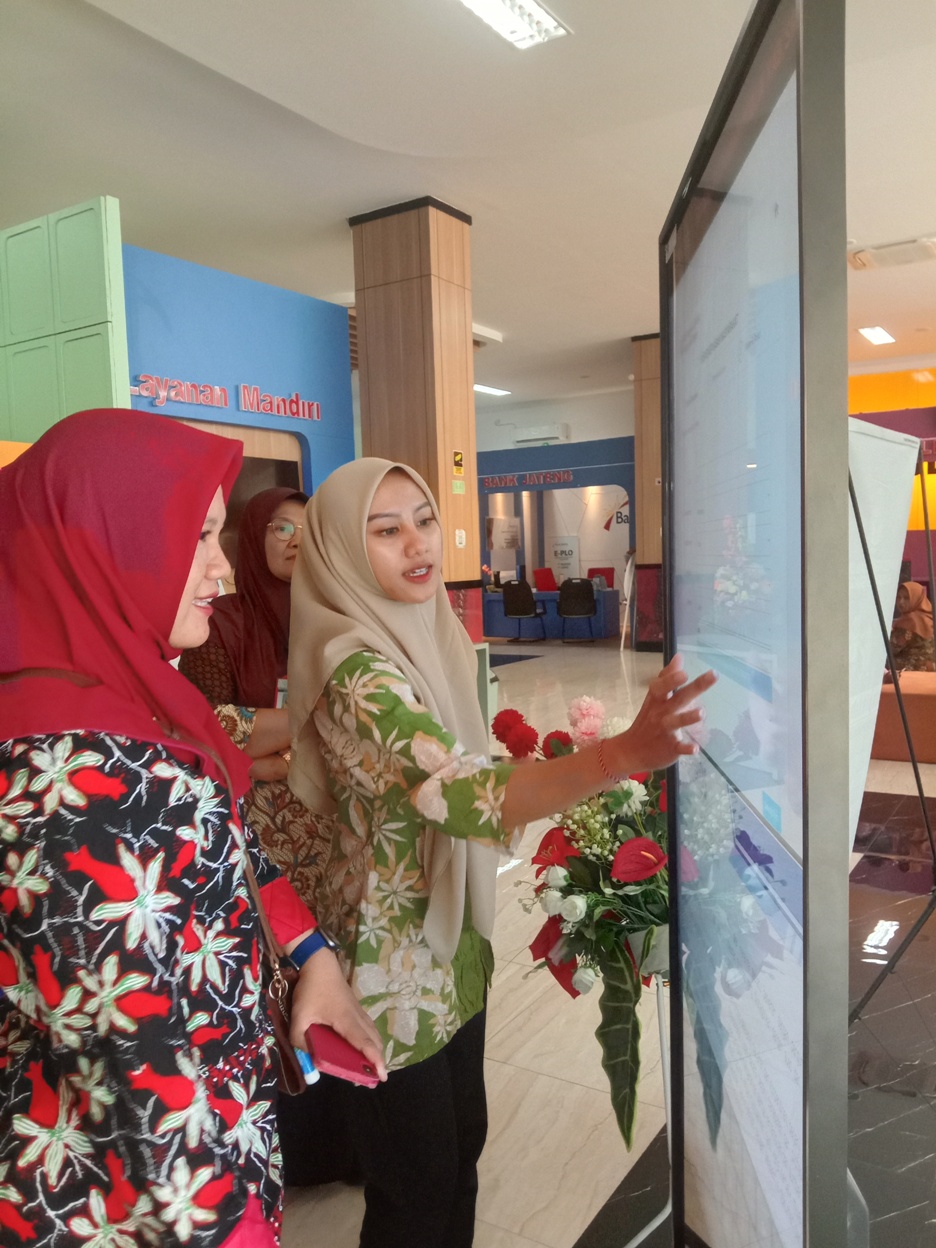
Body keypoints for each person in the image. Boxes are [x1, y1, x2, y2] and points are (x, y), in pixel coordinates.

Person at [285, 457, 716, 1248]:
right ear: (342, 550)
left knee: (462, 1153)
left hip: (453, 939)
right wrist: (619, 754)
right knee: (415, 1187)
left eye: (424, 520)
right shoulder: (355, 668)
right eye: (386, 531)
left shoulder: (429, 631)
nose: (418, 543)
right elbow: (458, 790)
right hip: (388, 966)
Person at [0, 409, 385, 1248]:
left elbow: (227, 844)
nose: (222, 568)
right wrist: (237, 1231)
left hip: (218, 1129)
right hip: (127, 1200)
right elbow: (133, 1079)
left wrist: (311, 954)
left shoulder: (122, 696)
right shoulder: (65, 784)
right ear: (111, 543)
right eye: (198, 537)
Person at [180, 485, 356, 1186]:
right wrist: (301, 742)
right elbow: (207, 730)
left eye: (305, 529)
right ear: (253, 540)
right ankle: (300, 1149)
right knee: (275, 982)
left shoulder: (331, 617)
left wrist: (286, 747)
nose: (294, 541)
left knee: (331, 967)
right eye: (280, 528)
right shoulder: (219, 622)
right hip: (256, 832)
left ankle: (347, 1141)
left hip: (325, 829)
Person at [890, 580, 935, 672]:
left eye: (906, 598)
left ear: (916, 598)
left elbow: (891, 648)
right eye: (898, 597)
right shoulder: (929, 617)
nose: (901, 602)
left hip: (911, 671)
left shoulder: (909, 622)